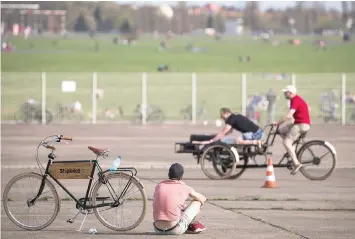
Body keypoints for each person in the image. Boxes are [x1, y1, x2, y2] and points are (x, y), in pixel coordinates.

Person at [153, 163, 207, 235]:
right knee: (197, 202)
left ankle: (188, 224)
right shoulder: (184, 187)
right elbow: (203, 198)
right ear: (181, 177)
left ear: (169, 175)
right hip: (175, 229)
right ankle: (191, 224)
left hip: (157, 229)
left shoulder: (159, 186)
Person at [276, 85, 311, 175]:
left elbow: (288, 116)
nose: (284, 94)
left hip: (301, 125)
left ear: (291, 93)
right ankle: (291, 148)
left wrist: (278, 122)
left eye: (286, 92)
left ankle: (296, 163)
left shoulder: (295, 100)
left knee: (286, 142)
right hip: (299, 123)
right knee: (281, 130)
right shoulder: (296, 99)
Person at [199, 108, 264, 147]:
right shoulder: (233, 116)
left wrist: (211, 141)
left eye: (222, 115)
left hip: (256, 134)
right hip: (258, 132)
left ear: (227, 113)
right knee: (236, 139)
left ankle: (257, 142)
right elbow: (229, 131)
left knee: (238, 140)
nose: (221, 117)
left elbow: (223, 132)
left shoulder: (231, 119)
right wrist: (219, 136)